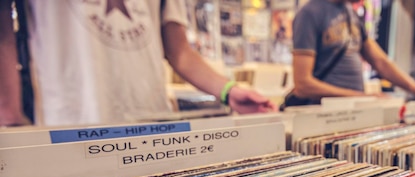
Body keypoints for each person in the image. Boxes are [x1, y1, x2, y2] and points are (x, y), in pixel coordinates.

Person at [0, 0, 276, 127]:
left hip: (154, 121)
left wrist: (230, 91)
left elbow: (179, 51)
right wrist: (10, 116)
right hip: (70, 122)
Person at [290, 0, 415, 104]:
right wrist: (364, 98)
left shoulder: (349, 12)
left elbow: (380, 61)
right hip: (322, 116)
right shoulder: (309, 13)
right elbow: (303, 85)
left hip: (352, 113)